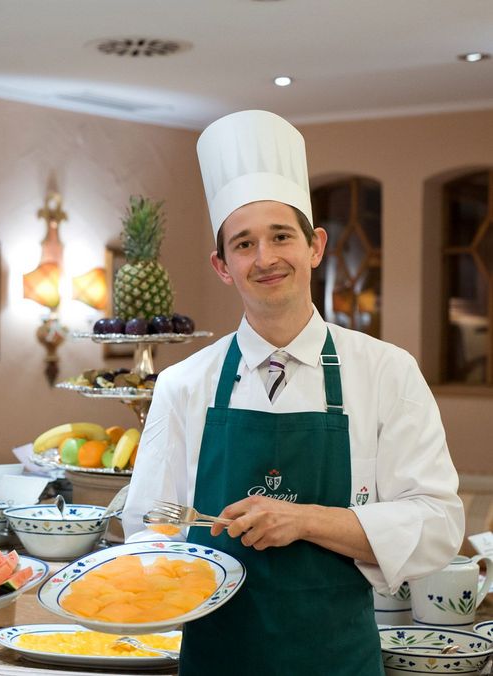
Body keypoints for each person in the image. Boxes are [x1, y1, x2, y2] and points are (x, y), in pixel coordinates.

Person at [122, 110, 464, 675]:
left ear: (316, 246)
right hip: (218, 659)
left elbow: (437, 526)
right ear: (222, 266)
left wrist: (303, 520)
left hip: (338, 660)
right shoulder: (184, 384)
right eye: (244, 244)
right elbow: (149, 529)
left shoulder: (386, 371)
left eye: (281, 236)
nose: (265, 258)